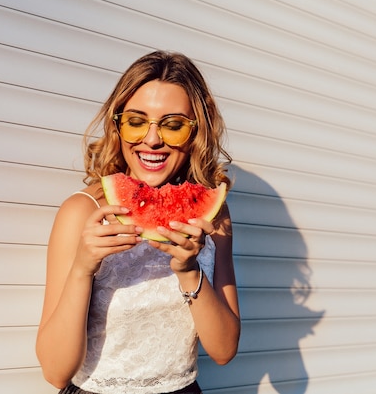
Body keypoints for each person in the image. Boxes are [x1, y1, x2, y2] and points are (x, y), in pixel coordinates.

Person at [36, 50, 240, 394]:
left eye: (173, 125)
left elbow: (223, 351)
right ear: (118, 126)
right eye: (136, 121)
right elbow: (56, 372)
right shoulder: (80, 211)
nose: (152, 139)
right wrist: (82, 269)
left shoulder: (214, 217)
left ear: (195, 132)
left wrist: (189, 270)